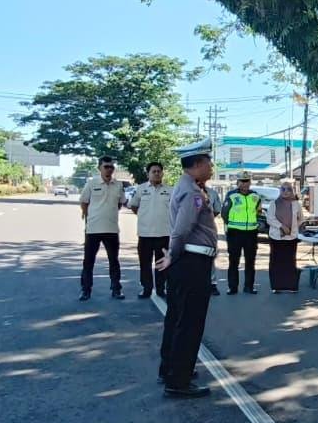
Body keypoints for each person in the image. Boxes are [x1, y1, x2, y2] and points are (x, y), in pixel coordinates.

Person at [156, 140, 220, 399]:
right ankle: (178, 380)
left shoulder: (186, 187)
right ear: (196, 165)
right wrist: (172, 254)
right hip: (192, 263)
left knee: (177, 319)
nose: (211, 167)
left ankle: (171, 369)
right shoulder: (193, 193)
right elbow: (182, 229)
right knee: (189, 324)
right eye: (208, 162)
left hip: (188, 261)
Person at [78, 156, 124, 301]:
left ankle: (116, 289)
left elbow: (119, 203)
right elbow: (84, 202)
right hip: (93, 229)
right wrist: (89, 216)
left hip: (111, 229)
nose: (109, 169)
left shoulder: (118, 185)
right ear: (99, 168)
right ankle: (86, 290)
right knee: (88, 261)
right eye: (106, 167)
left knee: (114, 261)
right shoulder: (91, 184)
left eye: (111, 167)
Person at [129, 161, 172, 299]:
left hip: (164, 233)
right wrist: (145, 217)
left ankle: (160, 288)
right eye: (153, 171)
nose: (157, 173)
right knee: (145, 263)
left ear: (162, 173)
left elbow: (174, 210)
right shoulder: (141, 189)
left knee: (162, 264)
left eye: (159, 171)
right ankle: (146, 288)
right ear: (148, 173)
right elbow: (134, 206)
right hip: (145, 233)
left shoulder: (170, 190)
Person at [222, 172, 261, 295]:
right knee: (234, 261)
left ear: (250, 182)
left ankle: (249, 286)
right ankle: (233, 287)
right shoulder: (232, 195)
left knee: (250, 261)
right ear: (237, 182)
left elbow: (258, 212)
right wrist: (231, 225)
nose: (245, 183)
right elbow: (224, 213)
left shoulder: (255, 196)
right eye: (242, 181)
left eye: (247, 181)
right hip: (235, 233)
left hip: (251, 233)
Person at [266, 178, 306, 293]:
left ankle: (291, 286)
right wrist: (281, 226)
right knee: (276, 262)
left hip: (291, 237)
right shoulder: (274, 203)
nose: (286, 191)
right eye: (283, 189)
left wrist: (293, 227)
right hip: (276, 237)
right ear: (280, 191)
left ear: (292, 191)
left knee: (290, 262)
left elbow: (301, 219)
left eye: (288, 189)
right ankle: (276, 286)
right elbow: (270, 219)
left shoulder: (296, 204)